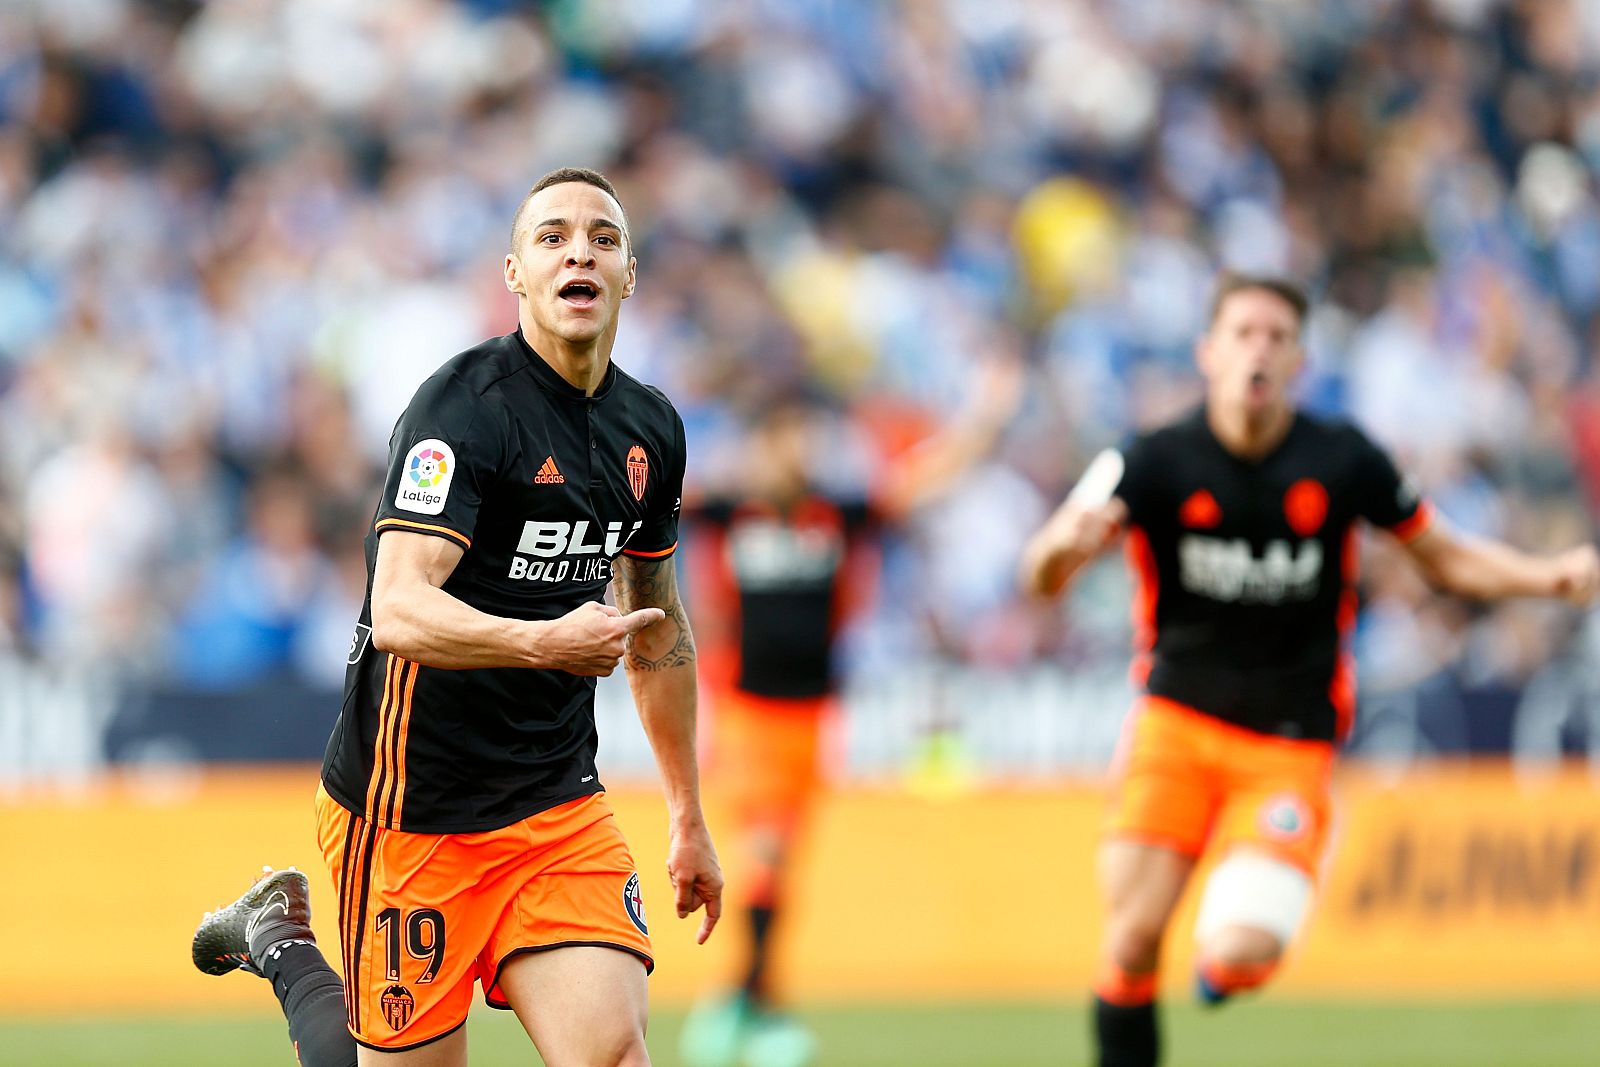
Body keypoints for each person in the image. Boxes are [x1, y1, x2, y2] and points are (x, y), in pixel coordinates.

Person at [192, 167, 723, 1067]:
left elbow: (657, 625)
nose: (578, 251)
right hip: (410, 809)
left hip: (554, 805)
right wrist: (542, 642)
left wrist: (687, 812)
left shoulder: (650, 432)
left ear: (630, 272)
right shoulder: (463, 409)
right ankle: (281, 942)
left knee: (616, 1057)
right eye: (551, 237)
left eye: (601, 236)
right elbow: (399, 608)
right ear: (515, 271)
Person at [1017, 272, 1600, 1067]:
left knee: (1241, 951)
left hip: (1286, 741)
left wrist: (1547, 577)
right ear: (1208, 352)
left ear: (1298, 358)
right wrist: (1062, 547)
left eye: (1276, 336)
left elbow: (1446, 556)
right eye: (1243, 333)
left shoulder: (1343, 459)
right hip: (1174, 725)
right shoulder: (1149, 459)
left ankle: (1235, 949)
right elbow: (1041, 573)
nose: (1258, 349)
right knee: (1129, 938)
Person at [678, 359, 1021, 1067]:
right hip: (747, 712)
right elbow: (639, 493)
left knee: (782, 867)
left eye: (807, 435)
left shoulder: (838, 513)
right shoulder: (726, 510)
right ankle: (749, 1007)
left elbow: (925, 481)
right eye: (785, 436)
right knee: (766, 852)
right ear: (759, 443)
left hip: (814, 717)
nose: (799, 450)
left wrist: (984, 416)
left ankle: (748, 1001)